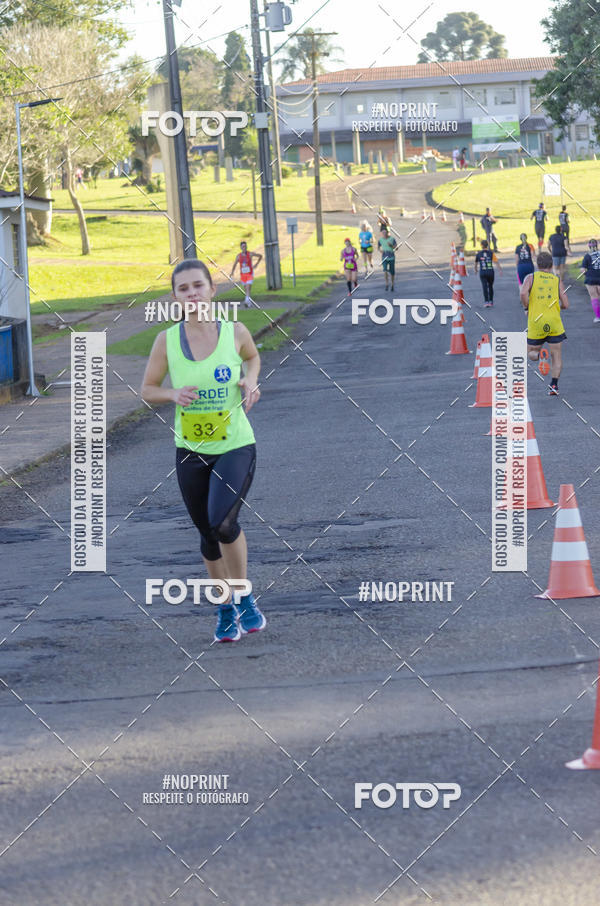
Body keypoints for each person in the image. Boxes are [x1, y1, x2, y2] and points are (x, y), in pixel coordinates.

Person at [140, 259, 266, 643]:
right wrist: (172, 393)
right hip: (191, 450)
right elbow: (147, 389)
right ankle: (225, 609)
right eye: (184, 289)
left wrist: (251, 381)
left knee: (222, 522)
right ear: (176, 297)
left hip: (235, 444)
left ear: (212, 290)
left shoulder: (235, 331)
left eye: (199, 285)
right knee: (207, 535)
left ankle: (243, 597)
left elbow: (253, 358)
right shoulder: (166, 341)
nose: (192, 293)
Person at [520, 251, 569, 396]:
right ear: (551, 264)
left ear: (537, 264)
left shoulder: (530, 278)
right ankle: (554, 385)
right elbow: (566, 303)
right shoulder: (556, 280)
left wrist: (526, 307)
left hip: (536, 323)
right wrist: (560, 306)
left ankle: (540, 355)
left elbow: (523, 293)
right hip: (554, 323)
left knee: (530, 353)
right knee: (557, 356)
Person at [230, 241, 262, 308]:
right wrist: (232, 272)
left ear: (246, 247)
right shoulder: (239, 256)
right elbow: (235, 264)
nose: (244, 247)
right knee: (247, 289)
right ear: (241, 247)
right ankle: (249, 303)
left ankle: (246, 300)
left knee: (247, 288)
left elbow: (260, 256)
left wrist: (256, 264)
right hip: (243, 275)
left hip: (250, 274)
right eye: (243, 246)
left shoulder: (250, 254)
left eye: (245, 246)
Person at [474, 239, 502, 307]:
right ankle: (491, 301)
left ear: (481, 245)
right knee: (490, 286)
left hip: (483, 272)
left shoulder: (478, 254)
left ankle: (486, 302)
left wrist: (476, 270)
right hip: (490, 272)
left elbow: (476, 263)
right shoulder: (491, 253)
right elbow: (496, 262)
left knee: (484, 286)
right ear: (488, 245)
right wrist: (500, 270)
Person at [579, 238, 600, 322]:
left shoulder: (587, 256)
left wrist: (585, 273)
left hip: (590, 279)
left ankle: (598, 317)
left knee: (594, 297)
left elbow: (582, 269)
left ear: (589, 246)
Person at [377, 227, 398, 291]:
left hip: (391, 257)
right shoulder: (380, 240)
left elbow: (396, 248)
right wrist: (380, 250)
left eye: (385, 232)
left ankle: (392, 284)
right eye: (383, 233)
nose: (384, 234)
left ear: (387, 233)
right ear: (381, 233)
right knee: (385, 271)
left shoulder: (392, 239)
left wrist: (391, 245)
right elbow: (378, 247)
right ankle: (386, 284)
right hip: (384, 257)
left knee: (392, 272)